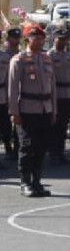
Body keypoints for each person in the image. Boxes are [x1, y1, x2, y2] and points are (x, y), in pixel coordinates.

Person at [9, 23, 56, 197]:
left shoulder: (47, 59)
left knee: (41, 147)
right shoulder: (19, 60)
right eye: (35, 37)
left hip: (45, 110)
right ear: (27, 39)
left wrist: (54, 110)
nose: (39, 40)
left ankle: (36, 181)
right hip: (27, 110)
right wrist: (14, 113)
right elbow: (13, 90)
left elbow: (53, 88)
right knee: (27, 147)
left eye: (41, 37)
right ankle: (25, 182)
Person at [48, 28, 70, 164]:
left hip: (67, 94)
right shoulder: (49, 55)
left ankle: (61, 152)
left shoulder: (69, 55)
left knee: (64, 125)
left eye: (65, 39)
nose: (64, 41)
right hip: (56, 95)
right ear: (54, 38)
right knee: (55, 126)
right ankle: (53, 153)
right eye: (61, 39)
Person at [4, 27, 21, 162]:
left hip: (18, 94)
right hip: (4, 94)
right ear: (8, 39)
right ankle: (8, 147)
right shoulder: (4, 55)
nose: (16, 40)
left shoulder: (21, 55)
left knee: (18, 123)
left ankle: (17, 148)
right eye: (14, 37)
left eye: (18, 37)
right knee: (5, 123)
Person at [0, 30, 13, 167]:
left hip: (2, 95)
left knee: (4, 126)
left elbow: (9, 79)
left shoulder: (5, 57)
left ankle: (8, 148)